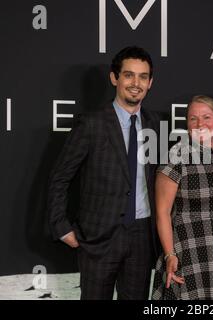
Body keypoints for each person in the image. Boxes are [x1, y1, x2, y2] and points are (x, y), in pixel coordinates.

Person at [47, 46, 160, 300]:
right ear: (114, 78)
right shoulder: (92, 124)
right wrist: (61, 226)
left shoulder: (154, 124)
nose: (136, 83)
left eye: (143, 77)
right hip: (99, 237)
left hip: (142, 237)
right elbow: (60, 177)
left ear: (150, 83)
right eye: (129, 75)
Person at [151, 95, 213, 299]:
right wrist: (169, 254)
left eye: (206, 117)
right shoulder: (176, 156)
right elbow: (162, 213)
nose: (200, 124)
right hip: (189, 254)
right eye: (193, 119)